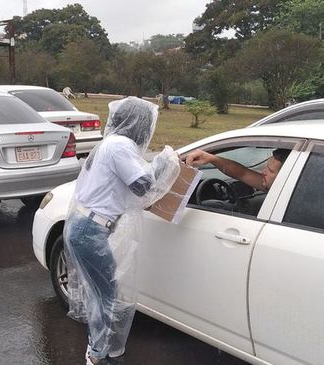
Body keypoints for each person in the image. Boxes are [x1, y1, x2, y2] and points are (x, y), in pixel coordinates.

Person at [64, 97, 180, 365]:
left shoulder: (112, 143)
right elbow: (142, 186)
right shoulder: (121, 146)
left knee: (101, 292)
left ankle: (102, 350)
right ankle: (97, 356)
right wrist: (166, 161)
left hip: (85, 226)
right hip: (89, 230)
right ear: (140, 124)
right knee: (107, 295)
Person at [185, 148, 291, 191]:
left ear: (285, 177)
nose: (263, 172)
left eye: (270, 171)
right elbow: (242, 173)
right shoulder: (276, 188)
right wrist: (211, 158)